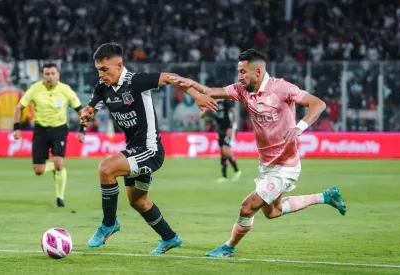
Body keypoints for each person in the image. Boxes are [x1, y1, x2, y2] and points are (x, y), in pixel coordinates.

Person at [169, 49, 347, 257]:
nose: (239, 77)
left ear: (259, 71)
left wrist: (299, 127)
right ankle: (326, 196)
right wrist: (182, 81)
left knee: (247, 207)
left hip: (285, 166)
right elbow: (208, 91)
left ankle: (228, 247)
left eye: (243, 72)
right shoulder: (241, 90)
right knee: (273, 212)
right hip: (266, 165)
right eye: (238, 72)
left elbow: (318, 103)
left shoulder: (281, 88)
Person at [80, 42, 216, 254]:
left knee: (106, 168)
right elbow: (90, 108)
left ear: (119, 65)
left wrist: (197, 95)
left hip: (150, 150)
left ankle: (109, 224)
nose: (101, 74)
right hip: (134, 150)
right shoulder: (103, 87)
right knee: (139, 202)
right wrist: (87, 114)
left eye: (104, 69)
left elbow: (170, 77)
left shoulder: (136, 81)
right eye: (98, 69)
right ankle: (170, 237)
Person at [13, 63, 86, 208]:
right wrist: (16, 128)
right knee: (38, 170)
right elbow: (19, 107)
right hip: (40, 131)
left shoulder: (65, 90)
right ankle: (54, 167)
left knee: (59, 162)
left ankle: (60, 198)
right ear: (42, 75)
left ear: (58, 75)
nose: (50, 76)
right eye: (47, 74)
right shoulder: (35, 89)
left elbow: (80, 110)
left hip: (59, 130)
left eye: (53, 73)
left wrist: (82, 129)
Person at [209, 99, 242, 183]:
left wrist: (231, 126)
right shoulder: (212, 102)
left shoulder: (225, 101)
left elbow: (234, 111)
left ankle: (237, 171)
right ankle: (224, 176)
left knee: (225, 150)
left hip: (229, 129)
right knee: (222, 152)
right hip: (221, 130)